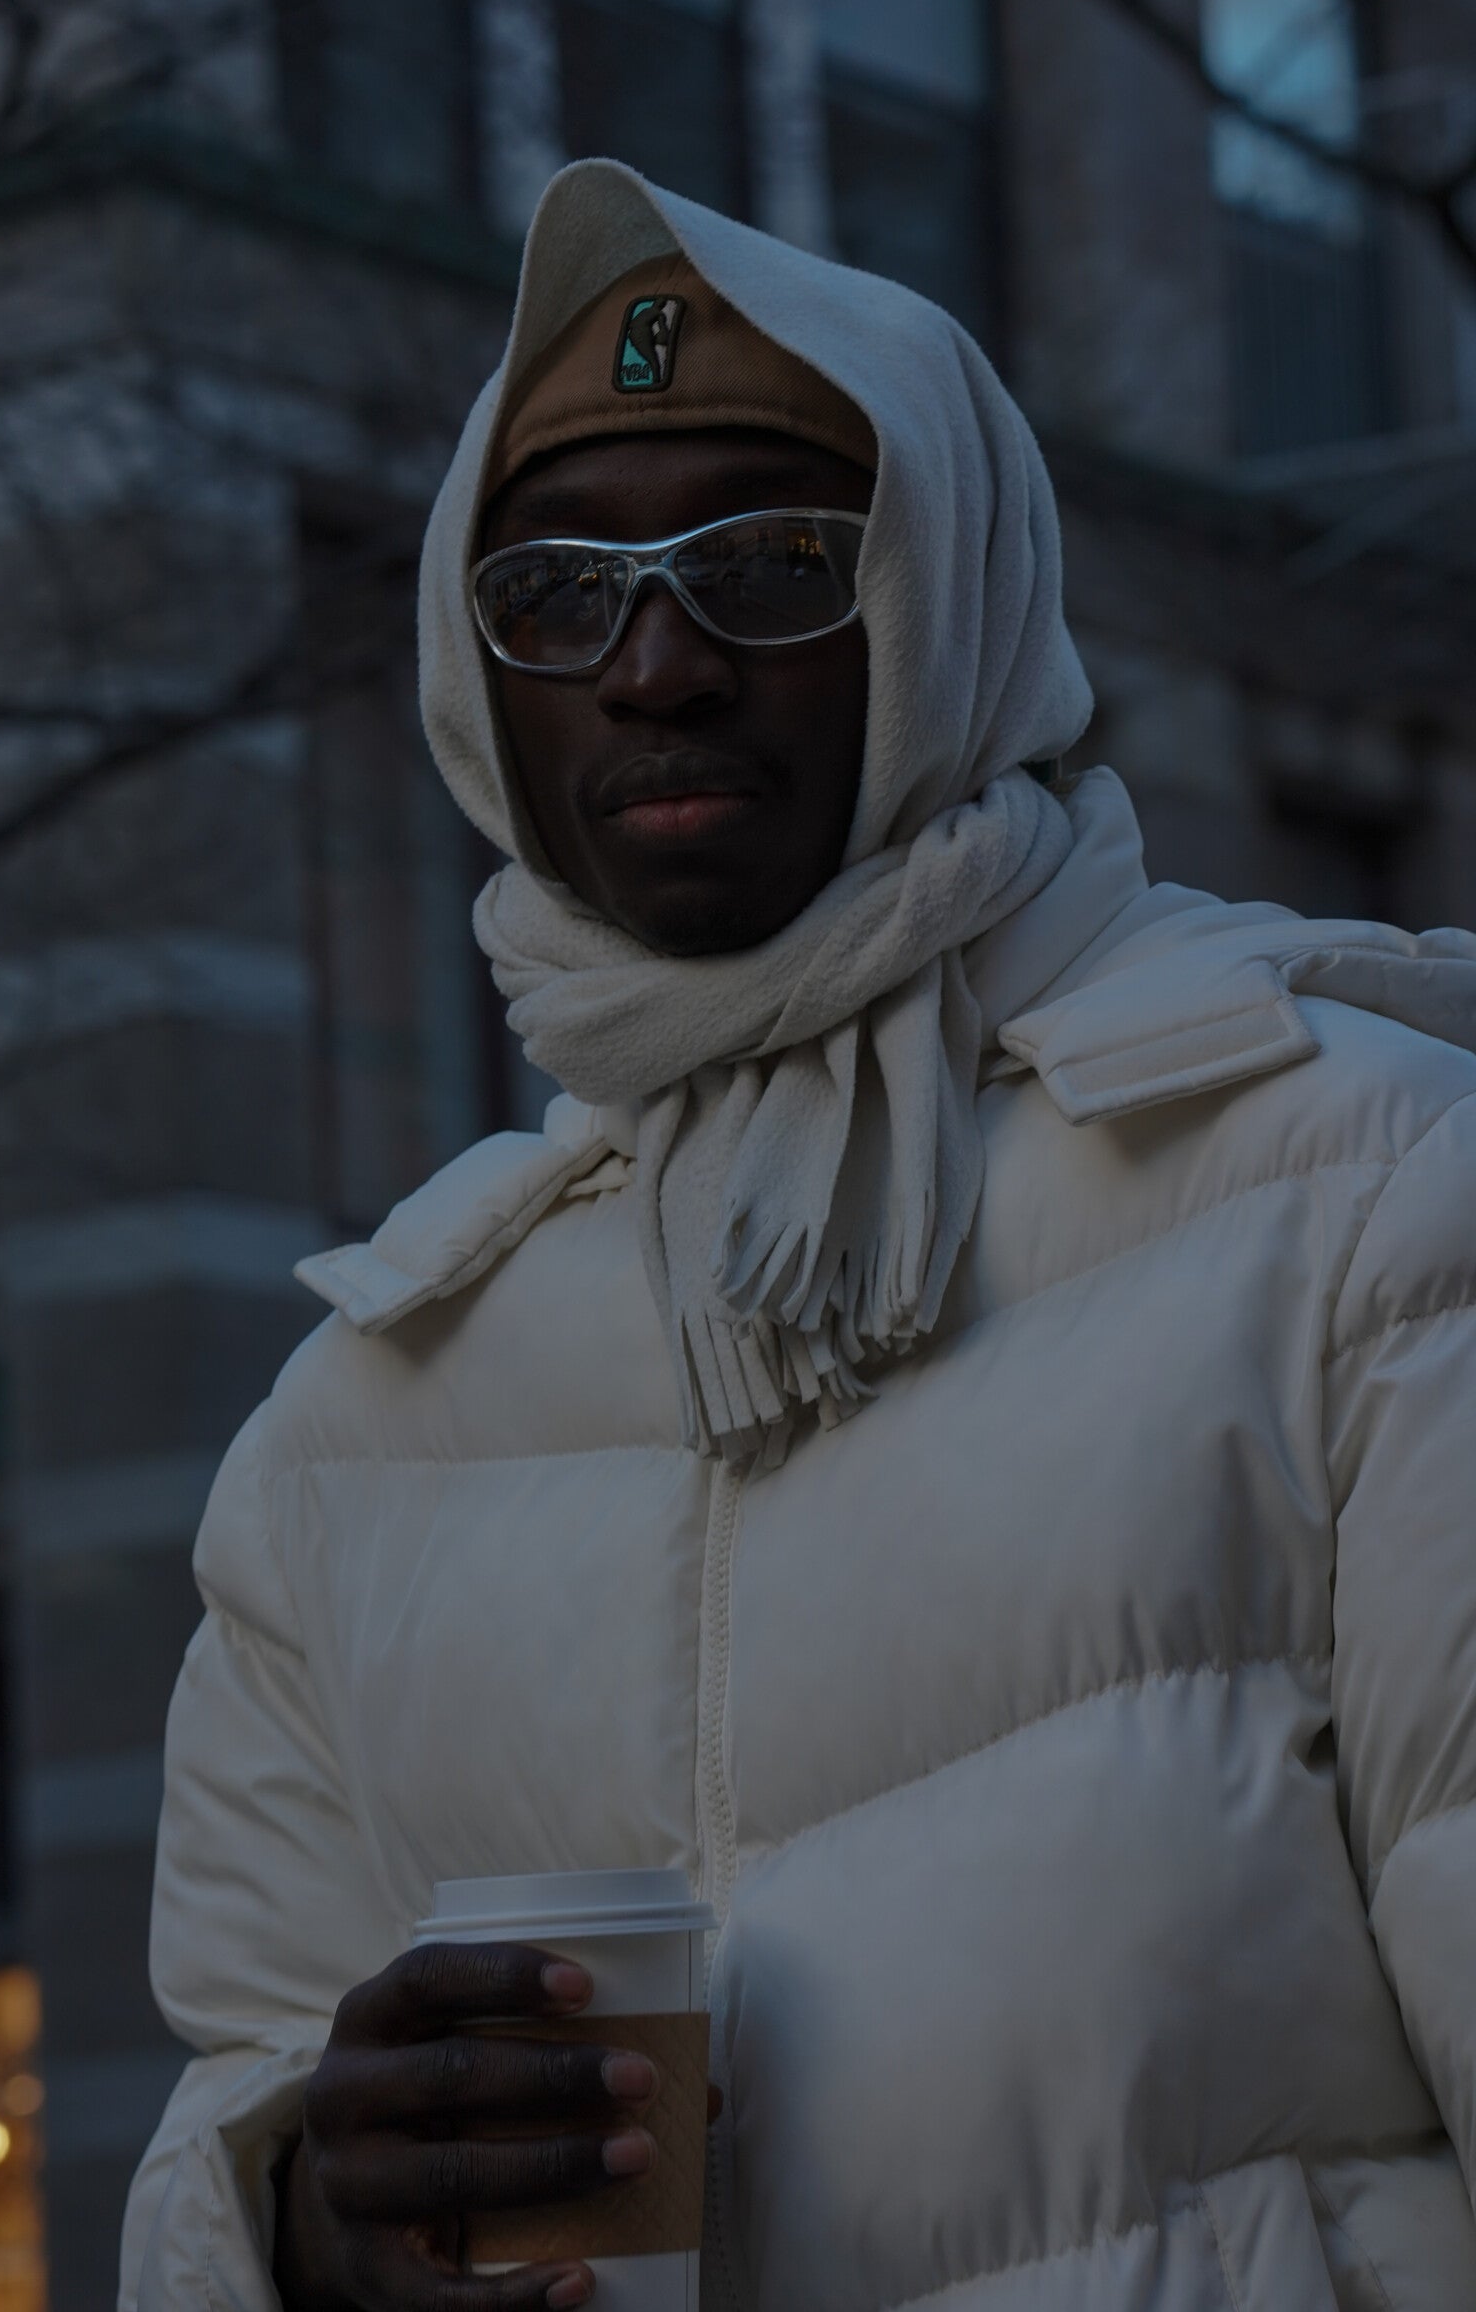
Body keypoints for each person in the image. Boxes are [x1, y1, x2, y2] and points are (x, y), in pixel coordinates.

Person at [122, 160, 1476, 2312]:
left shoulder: (1368, 1195)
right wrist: (310, 2224)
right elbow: (238, 2102)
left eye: (770, 565)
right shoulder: (354, 1427)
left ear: (951, 599)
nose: (655, 665)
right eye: (557, 592)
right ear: (475, 683)